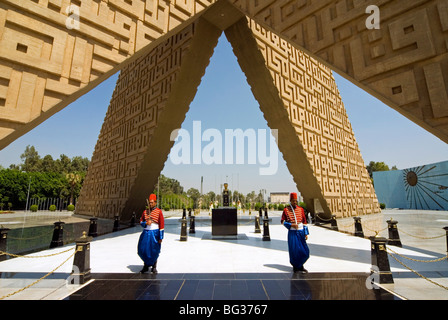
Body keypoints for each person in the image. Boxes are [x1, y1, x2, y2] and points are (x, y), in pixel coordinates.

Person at [281, 192, 310, 273]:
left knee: (304, 251)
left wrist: (306, 233)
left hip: (300, 232)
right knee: (294, 250)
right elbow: (282, 221)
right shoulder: (286, 210)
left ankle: (300, 264)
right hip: (292, 233)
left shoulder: (300, 209)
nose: (295, 202)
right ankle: (296, 267)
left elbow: (304, 221)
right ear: (290, 200)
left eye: (296, 201)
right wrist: (291, 225)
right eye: (293, 201)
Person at [138, 193, 164, 274]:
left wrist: (160, 237)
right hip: (146, 233)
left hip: (154, 233)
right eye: (149, 202)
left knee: (154, 250)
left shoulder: (159, 212)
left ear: (155, 203)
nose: (150, 204)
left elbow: (162, 225)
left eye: (152, 202)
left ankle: (154, 266)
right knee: (143, 249)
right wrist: (146, 223)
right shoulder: (145, 212)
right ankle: (145, 265)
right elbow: (141, 222)